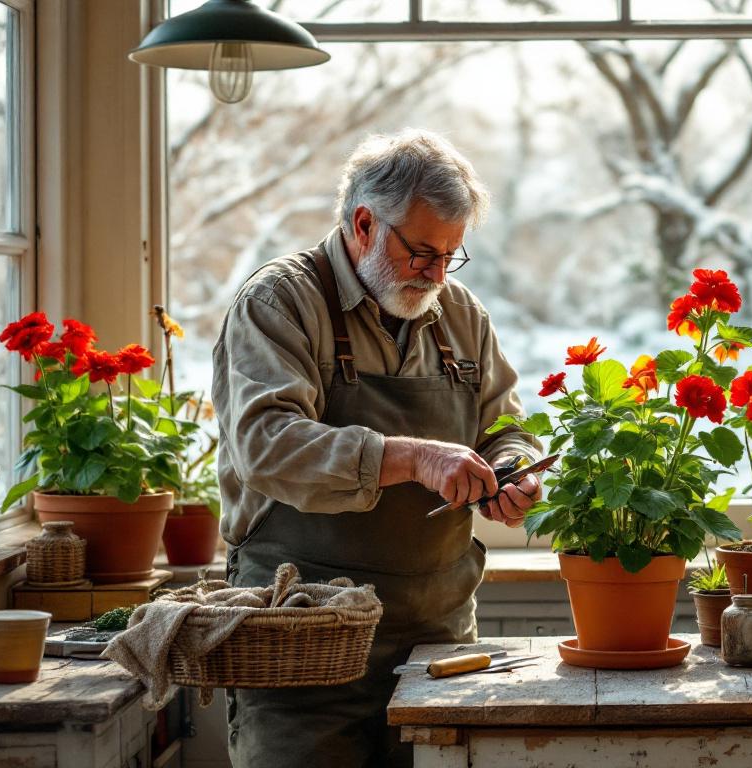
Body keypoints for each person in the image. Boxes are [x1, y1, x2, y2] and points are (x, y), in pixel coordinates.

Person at [211, 128, 541, 767]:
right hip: (303, 633)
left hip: (436, 634)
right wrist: (418, 457)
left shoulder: (461, 314)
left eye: (452, 255)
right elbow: (266, 443)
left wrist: (512, 468)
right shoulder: (280, 302)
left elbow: (505, 425)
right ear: (364, 222)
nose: (438, 273)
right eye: (422, 252)